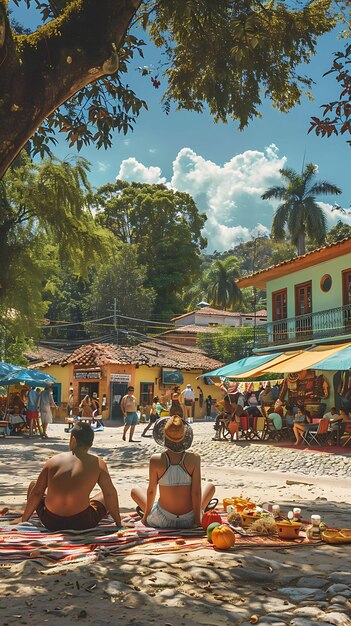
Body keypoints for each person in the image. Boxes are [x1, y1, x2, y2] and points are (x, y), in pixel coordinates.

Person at [9, 423, 121, 530]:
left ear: (73, 440)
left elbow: (37, 492)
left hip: (51, 521)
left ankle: (26, 518)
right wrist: (119, 523)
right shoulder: (98, 463)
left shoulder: (52, 461)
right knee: (106, 493)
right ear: (90, 444)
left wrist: (24, 520)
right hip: (83, 522)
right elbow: (109, 494)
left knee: (33, 486)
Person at [131, 415, 215, 528]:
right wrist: (197, 521)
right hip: (189, 519)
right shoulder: (194, 459)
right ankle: (201, 512)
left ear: (164, 435)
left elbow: (151, 491)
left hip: (163, 519)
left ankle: (150, 510)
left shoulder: (156, 460)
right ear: (184, 436)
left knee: (135, 490)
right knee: (210, 486)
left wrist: (145, 518)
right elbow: (196, 493)